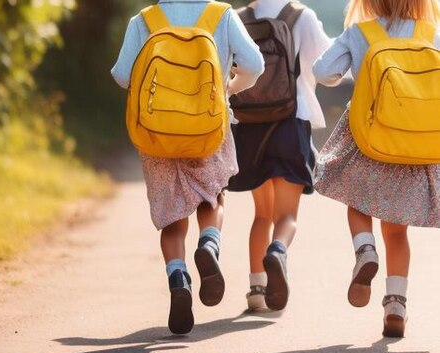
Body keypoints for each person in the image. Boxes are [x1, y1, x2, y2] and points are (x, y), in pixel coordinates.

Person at [111, 0, 264, 334]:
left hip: (157, 133)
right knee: (213, 197)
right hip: (209, 126)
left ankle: (178, 277)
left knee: (172, 216)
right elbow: (254, 63)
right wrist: (229, 87)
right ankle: (209, 244)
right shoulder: (221, 15)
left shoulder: (144, 20)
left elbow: (123, 76)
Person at [313, 0, 440, 337]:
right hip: (413, 139)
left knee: (357, 198)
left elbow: (324, 72)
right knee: (397, 231)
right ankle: (396, 305)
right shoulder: (431, 32)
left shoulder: (359, 32)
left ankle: (364, 249)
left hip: (369, 134)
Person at [227, 0, 332, 312]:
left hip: (249, 124)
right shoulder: (302, 17)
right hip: (291, 120)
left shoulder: (237, 18)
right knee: (286, 216)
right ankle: (278, 249)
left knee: (261, 213)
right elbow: (327, 71)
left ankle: (257, 290)